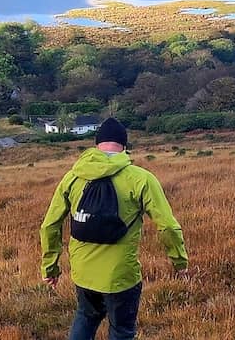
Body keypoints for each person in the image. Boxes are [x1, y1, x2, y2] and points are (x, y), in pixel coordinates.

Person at [40, 118, 188, 340]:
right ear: (124, 146)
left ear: (96, 145)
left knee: (86, 316)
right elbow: (167, 227)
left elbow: (50, 225)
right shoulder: (141, 179)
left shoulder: (72, 177)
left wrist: (49, 268)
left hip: (83, 274)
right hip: (121, 277)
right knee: (121, 331)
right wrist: (179, 261)